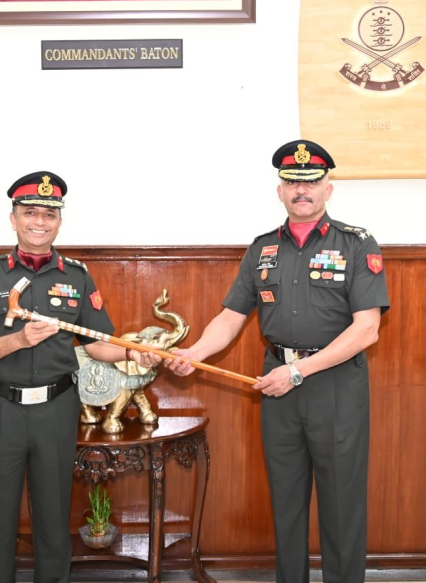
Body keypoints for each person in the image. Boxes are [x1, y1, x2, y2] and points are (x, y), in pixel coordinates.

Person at [159, 140, 390, 583]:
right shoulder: (262, 249)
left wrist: (299, 371)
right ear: (279, 190)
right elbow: (230, 317)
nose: (301, 190)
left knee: (341, 506)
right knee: (286, 503)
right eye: (291, 182)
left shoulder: (358, 244)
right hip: (277, 386)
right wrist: (195, 352)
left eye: (311, 182)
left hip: (334, 386)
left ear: (328, 188)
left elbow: (367, 329)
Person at [0, 171, 143, 583]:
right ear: (13, 218)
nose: (39, 221)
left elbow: (97, 343)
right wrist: (18, 340)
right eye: (30, 213)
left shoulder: (76, 276)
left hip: (56, 410)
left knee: (54, 520)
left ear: (59, 221)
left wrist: (135, 353)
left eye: (49, 214)